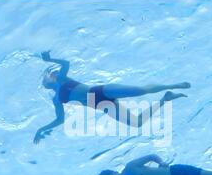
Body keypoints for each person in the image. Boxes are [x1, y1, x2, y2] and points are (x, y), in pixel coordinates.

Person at [33, 51, 191, 143]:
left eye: (44, 78)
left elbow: (66, 63)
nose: (43, 81)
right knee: (137, 123)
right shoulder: (56, 100)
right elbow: (60, 120)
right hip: (103, 106)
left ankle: (173, 85)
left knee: (141, 90)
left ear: (50, 78)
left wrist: (50, 59)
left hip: (102, 91)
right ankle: (165, 99)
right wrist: (42, 128)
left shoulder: (61, 78)